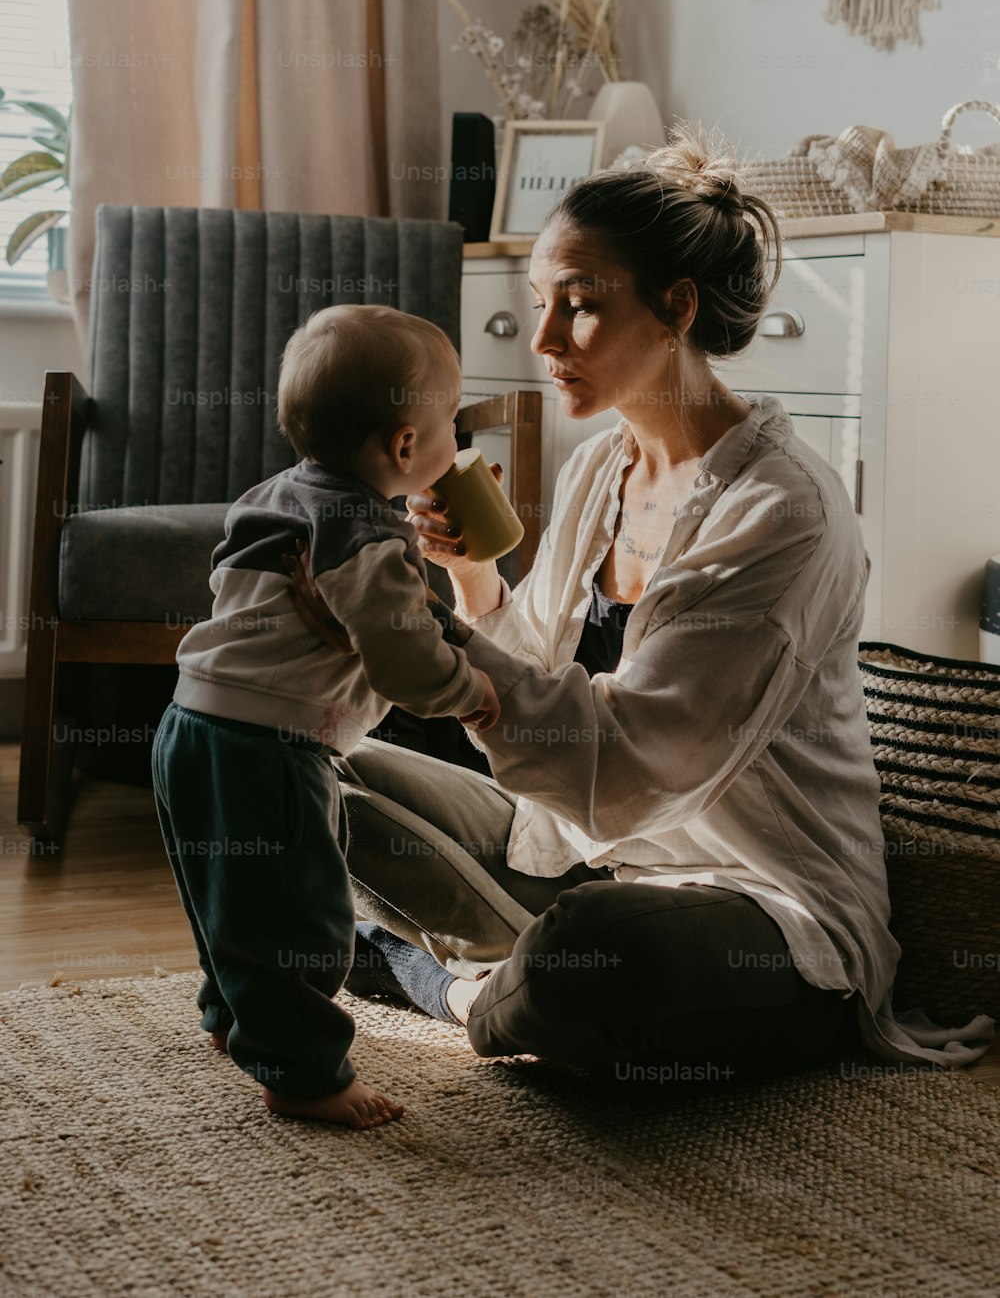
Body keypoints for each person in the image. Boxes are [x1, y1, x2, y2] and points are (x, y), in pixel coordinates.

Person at [292, 126, 993, 1081]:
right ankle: (512, 967)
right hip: (581, 850)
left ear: (677, 308)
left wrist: (422, 635)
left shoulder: (782, 509)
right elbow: (539, 673)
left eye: (577, 307)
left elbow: (630, 766)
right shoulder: (599, 467)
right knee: (302, 765)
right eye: (541, 305)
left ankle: (446, 983)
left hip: (755, 907)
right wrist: (470, 582)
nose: (544, 341)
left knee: (608, 951)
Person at [151, 304, 500, 1130]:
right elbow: (403, 657)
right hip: (267, 745)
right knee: (303, 913)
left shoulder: (277, 495)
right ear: (407, 448)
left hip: (188, 721)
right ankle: (303, 1074)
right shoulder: (367, 533)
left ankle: (232, 1017)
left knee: (225, 894)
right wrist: (468, 691)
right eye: (452, 422)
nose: (458, 438)